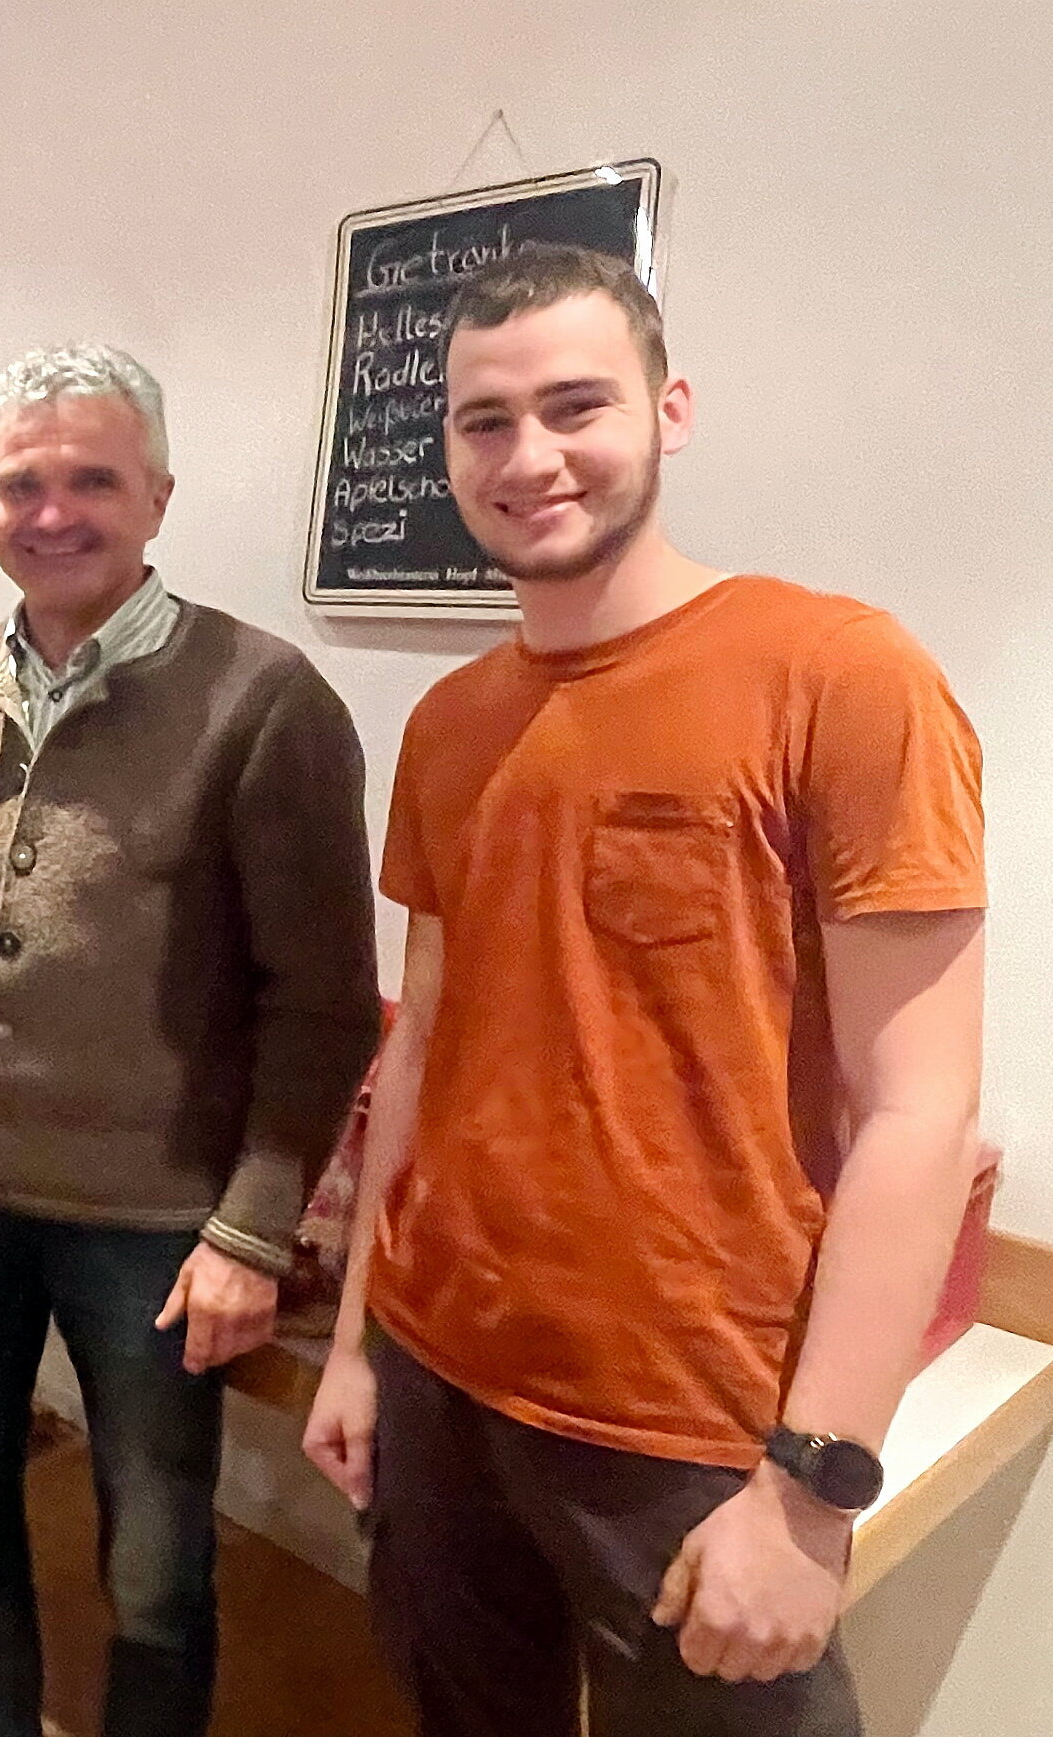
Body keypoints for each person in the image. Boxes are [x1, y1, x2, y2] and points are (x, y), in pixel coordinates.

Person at [302, 242, 987, 1736]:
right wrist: (357, 1346)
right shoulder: (451, 722)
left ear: (670, 411)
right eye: (486, 421)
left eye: (576, 406)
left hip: (694, 1425)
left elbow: (921, 1112)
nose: (529, 456)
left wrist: (811, 1490)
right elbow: (421, 1054)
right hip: (438, 1372)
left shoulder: (840, 676)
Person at [0, 343, 383, 1737]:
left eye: (93, 483)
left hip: (156, 1228)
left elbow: (323, 1002)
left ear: (158, 498)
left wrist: (252, 1232)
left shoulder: (264, 701)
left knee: (155, 1574)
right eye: (22, 485)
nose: (52, 514)